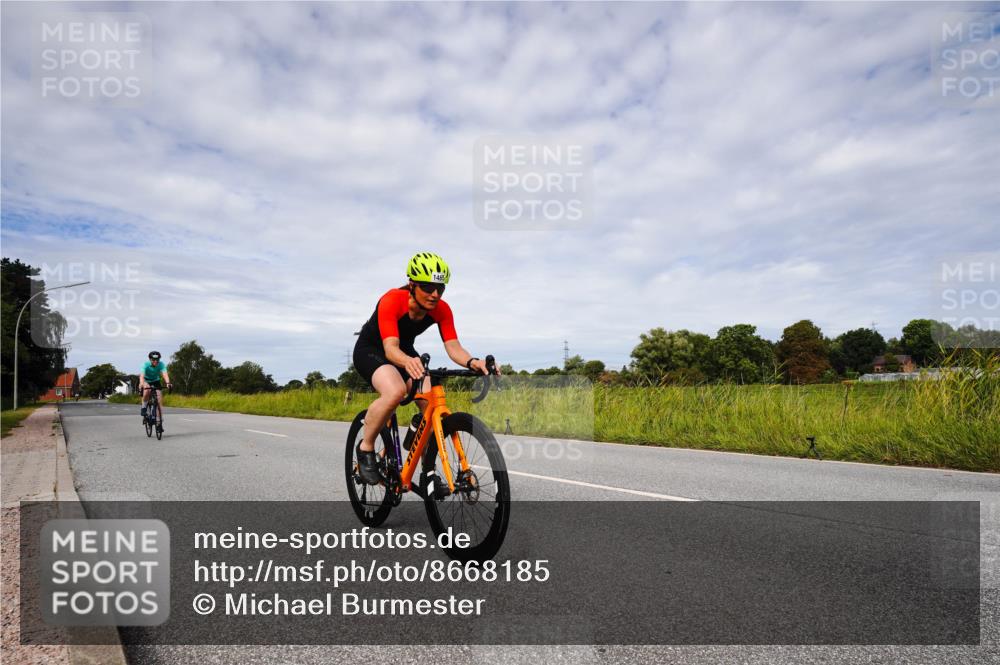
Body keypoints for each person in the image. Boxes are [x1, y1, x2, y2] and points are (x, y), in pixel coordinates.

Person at [352, 252, 495, 484]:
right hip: (373, 349)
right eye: (428, 287)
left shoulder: (442, 309)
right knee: (396, 391)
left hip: (404, 350)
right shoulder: (391, 300)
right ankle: (366, 448)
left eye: (440, 288)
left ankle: (426, 468)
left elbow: (454, 347)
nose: (435, 294)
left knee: (429, 401)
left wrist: (472, 362)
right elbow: (390, 349)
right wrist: (407, 362)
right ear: (412, 284)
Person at [140, 351, 172, 425]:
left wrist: (168, 383)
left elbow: (165, 374)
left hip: (155, 381)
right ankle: (144, 406)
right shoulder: (145, 365)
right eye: (153, 360)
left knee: (159, 400)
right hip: (146, 380)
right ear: (150, 359)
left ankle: (158, 419)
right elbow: (141, 376)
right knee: (146, 391)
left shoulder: (161, 364)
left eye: (157, 360)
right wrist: (142, 384)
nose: (155, 361)